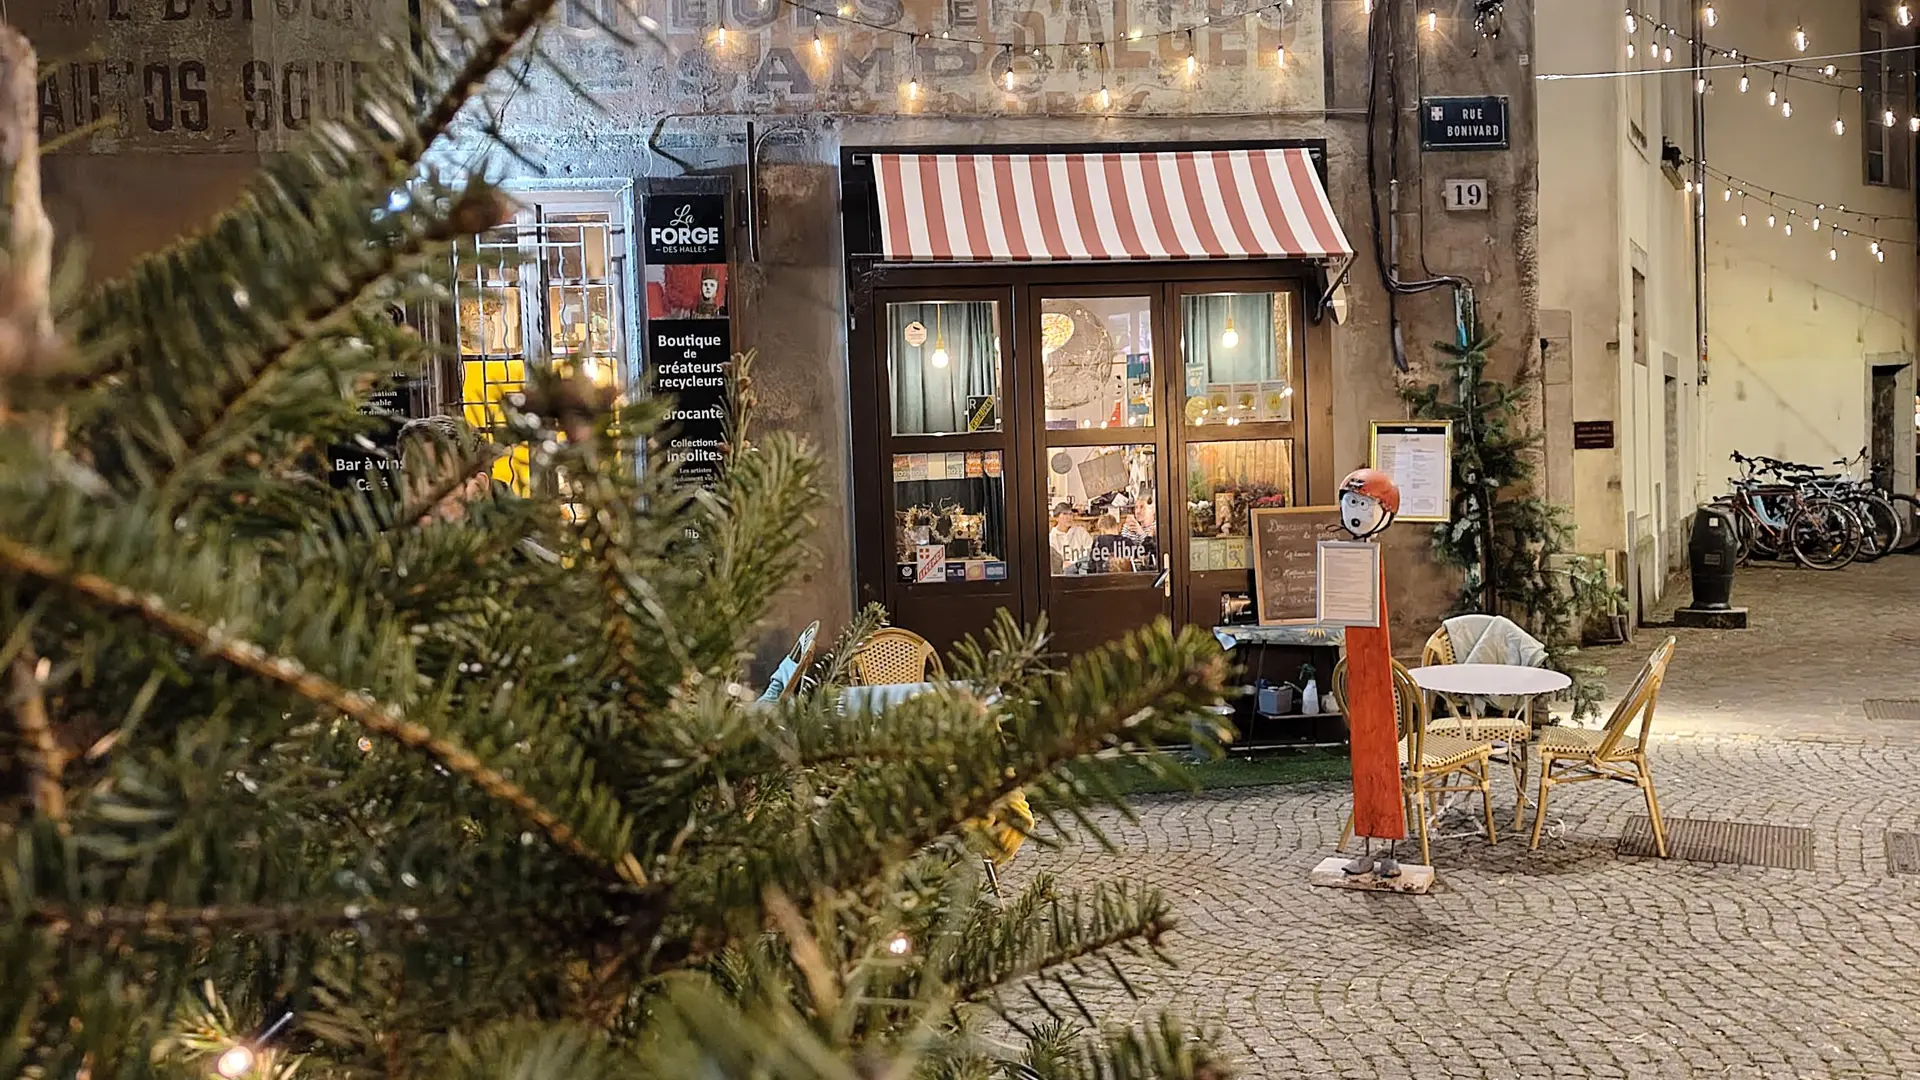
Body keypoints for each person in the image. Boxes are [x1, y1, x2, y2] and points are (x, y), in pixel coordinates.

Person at [1048, 502, 1091, 572]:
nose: (1069, 517)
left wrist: (1075, 563)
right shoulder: (1052, 537)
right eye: (1065, 514)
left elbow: (1089, 550)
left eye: (1070, 514)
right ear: (1056, 518)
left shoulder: (1081, 532)